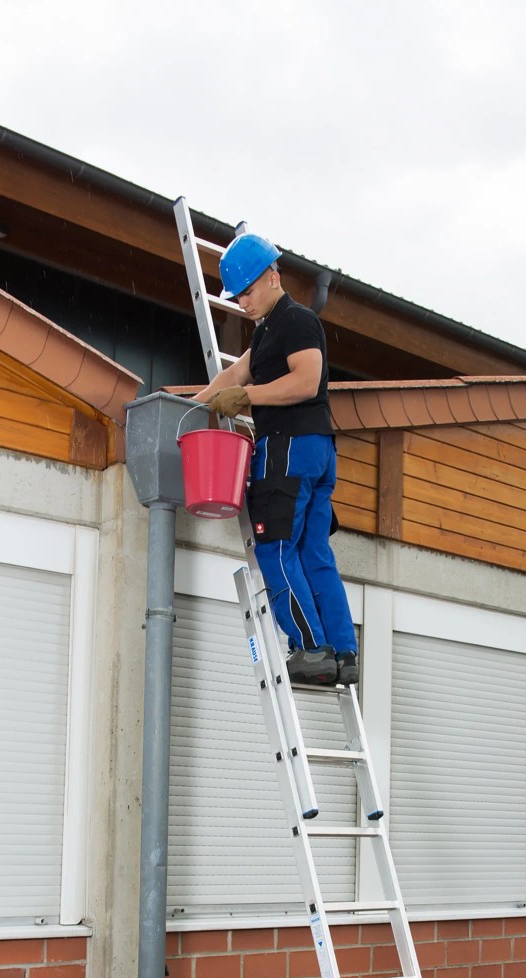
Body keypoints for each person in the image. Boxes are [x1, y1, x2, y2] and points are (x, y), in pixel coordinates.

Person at [194, 231, 358, 688]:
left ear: (272, 275)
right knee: (312, 552)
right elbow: (233, 372)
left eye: (247, 290)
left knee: (275, 549)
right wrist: (187, 407)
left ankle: (310, 648)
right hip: (316, 450)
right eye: (236, 294)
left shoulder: (297, 321)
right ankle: (342, 653)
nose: (242, 301)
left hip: (289, 447)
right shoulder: (268, 330)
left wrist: (247, 398)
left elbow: (307, 381)